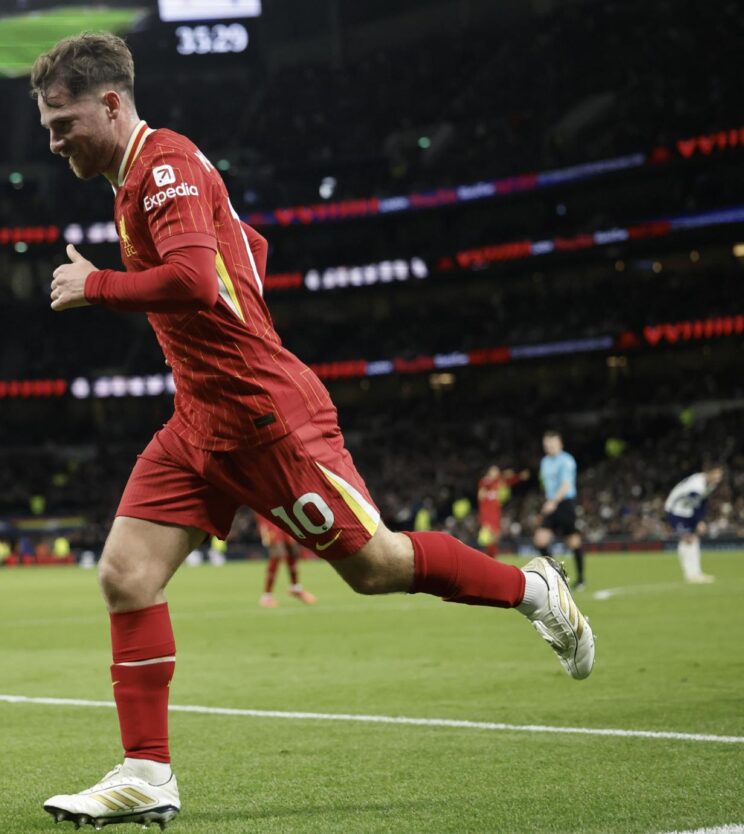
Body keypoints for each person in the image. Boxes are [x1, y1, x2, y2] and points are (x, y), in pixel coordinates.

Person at [32, 33, 594, 829]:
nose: (54, 142)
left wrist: (98, 285)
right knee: (126, 575)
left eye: (64, 123)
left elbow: (194, 279)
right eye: (48, 127)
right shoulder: (137, 179)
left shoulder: (163, 167)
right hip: (199, 419)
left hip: (264, 418)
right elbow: (246, 251)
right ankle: (147, 773)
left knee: (377, 566)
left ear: (112, 104)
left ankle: (534, 591)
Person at [534, 431, 585, 589]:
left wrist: (553, 502)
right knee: (540, 540)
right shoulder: (544, 462)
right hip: (551, 503)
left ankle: (581, 579)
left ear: (560, 444)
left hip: (564, 503)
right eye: (546, 444)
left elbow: (566, 485)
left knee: (573, 541)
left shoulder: (566, 460)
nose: (549, 446)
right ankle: (556, 575)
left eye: (552, 443)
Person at [664, 466, 724, 583]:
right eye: (716, 475)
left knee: (693, 540)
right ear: (709, 473)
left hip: (687, 511)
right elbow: (695, 503)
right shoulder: (697, 485)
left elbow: (702, 502)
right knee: (688, 538)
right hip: (675, 510)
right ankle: (690, 574)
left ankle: (696, 573)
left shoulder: (710, 484)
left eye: (720, 477)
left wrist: (700, 519)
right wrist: (699, 521)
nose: (718, 479)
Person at [255, 511, 316, 607]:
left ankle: (295, 588)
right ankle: (266, 596)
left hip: (283, 513)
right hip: (268, 516)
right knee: (276, 553)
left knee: (292, 549)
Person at [477, 466, 529, 558]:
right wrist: (504, 475)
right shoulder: (485, 481)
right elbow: (483, 490)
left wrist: (519, 476)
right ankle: (485, 556)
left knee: (496, 536)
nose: (496, 473)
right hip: (486, 514)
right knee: (488, 536)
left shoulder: (499, 483)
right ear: (489, 472)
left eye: (497, 471)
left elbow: (510, 481)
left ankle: (491, 556)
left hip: (496, 513)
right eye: (494, 471)